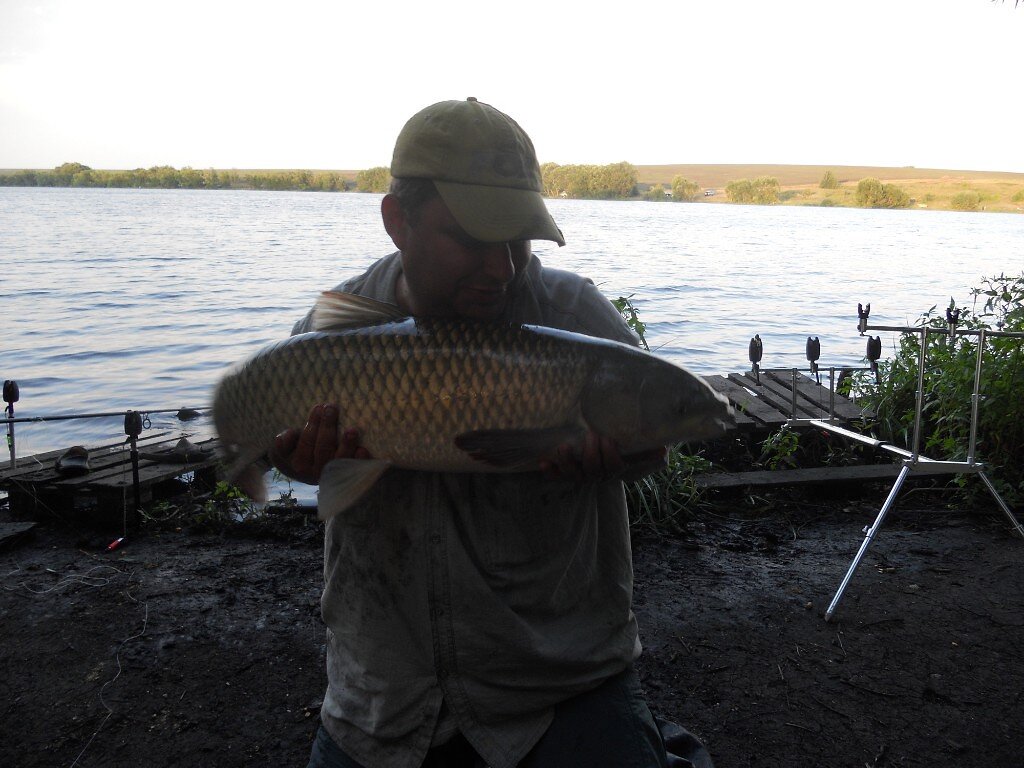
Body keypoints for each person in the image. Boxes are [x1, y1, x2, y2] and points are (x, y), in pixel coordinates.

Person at [272, 98, 711, 768]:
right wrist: (306, 465)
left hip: (557, 681)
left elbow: (651, 443)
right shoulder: (336, 333)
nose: (501, 269)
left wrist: (621, 461)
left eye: (517, 239)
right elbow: (299, 464)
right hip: (385, 694)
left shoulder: (578, 318)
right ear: (398, 221)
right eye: (474, 240)